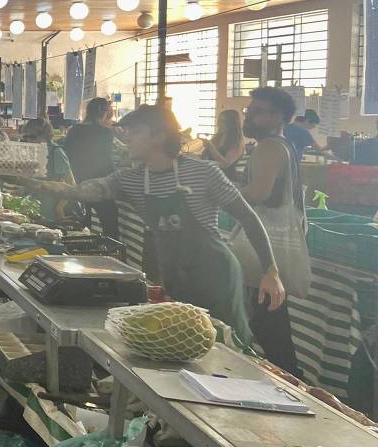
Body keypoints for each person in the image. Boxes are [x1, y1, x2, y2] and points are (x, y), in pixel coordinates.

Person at [24, 105, 282, 346]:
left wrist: (270, 271)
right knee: (181, 342)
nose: (128, 138)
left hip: (215, 277)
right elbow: (81, 191)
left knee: (224, 345)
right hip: (175, 276)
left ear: (158, 137)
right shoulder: (131, 179)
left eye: (136, 132)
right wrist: (34, 183)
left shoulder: (204, 173)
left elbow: (248, 217)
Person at [236, 87, 313, 374]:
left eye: (256, 112)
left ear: (277, 116)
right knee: (268, 325)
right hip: (273, 245)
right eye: (248, 111)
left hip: (264, 249)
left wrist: (222, 192)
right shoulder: (284, 145)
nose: (249, 116)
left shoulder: (268, 147)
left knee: (270, 329)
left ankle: (291, 383)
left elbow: (258, 193)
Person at [62, 97, 121, 241]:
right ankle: (110, 256)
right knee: (110, 227)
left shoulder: (74, 130)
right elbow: (106, 160)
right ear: (104, 114)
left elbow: (66, 156)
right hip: (99, 185)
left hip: (77, 183)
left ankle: (81, 253)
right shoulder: (105, 133)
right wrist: (117, 178)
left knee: (81, 226)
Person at [18, 117, 75, 224]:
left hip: (49, 210)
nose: (29, 140)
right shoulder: (30, 152)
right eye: (26, 137)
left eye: (33, 137)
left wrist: (59, 207)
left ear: (45, 136)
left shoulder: (56, 152)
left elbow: (71, 184)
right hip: (27, 208)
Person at [204, 109, 247, 179]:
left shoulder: (237, 142)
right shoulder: (217, 137)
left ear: (232, 124)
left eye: (223, 121)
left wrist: (211, 147)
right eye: (219, 121)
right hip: (212, 177)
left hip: (226, 179)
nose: (219, 124)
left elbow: (225, 164)